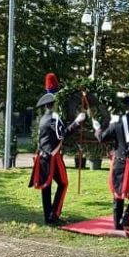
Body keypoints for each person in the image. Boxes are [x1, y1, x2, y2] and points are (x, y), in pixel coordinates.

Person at [94, 73, 129, 232]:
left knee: (117, 196)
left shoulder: (117, 122)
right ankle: (127, 218)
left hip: (119, 162)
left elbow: (102, 138)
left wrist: (97, 128)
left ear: (128, 107)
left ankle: (117, 225)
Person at [29, 73, 85, 224]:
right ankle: (54, 214)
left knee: (46, 187)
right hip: (53, 157)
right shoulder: (54, 117)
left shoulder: (44, 118)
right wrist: (77, 122)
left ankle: (49, 216)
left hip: (42, 156)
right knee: (63, 183)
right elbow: (63, 134)